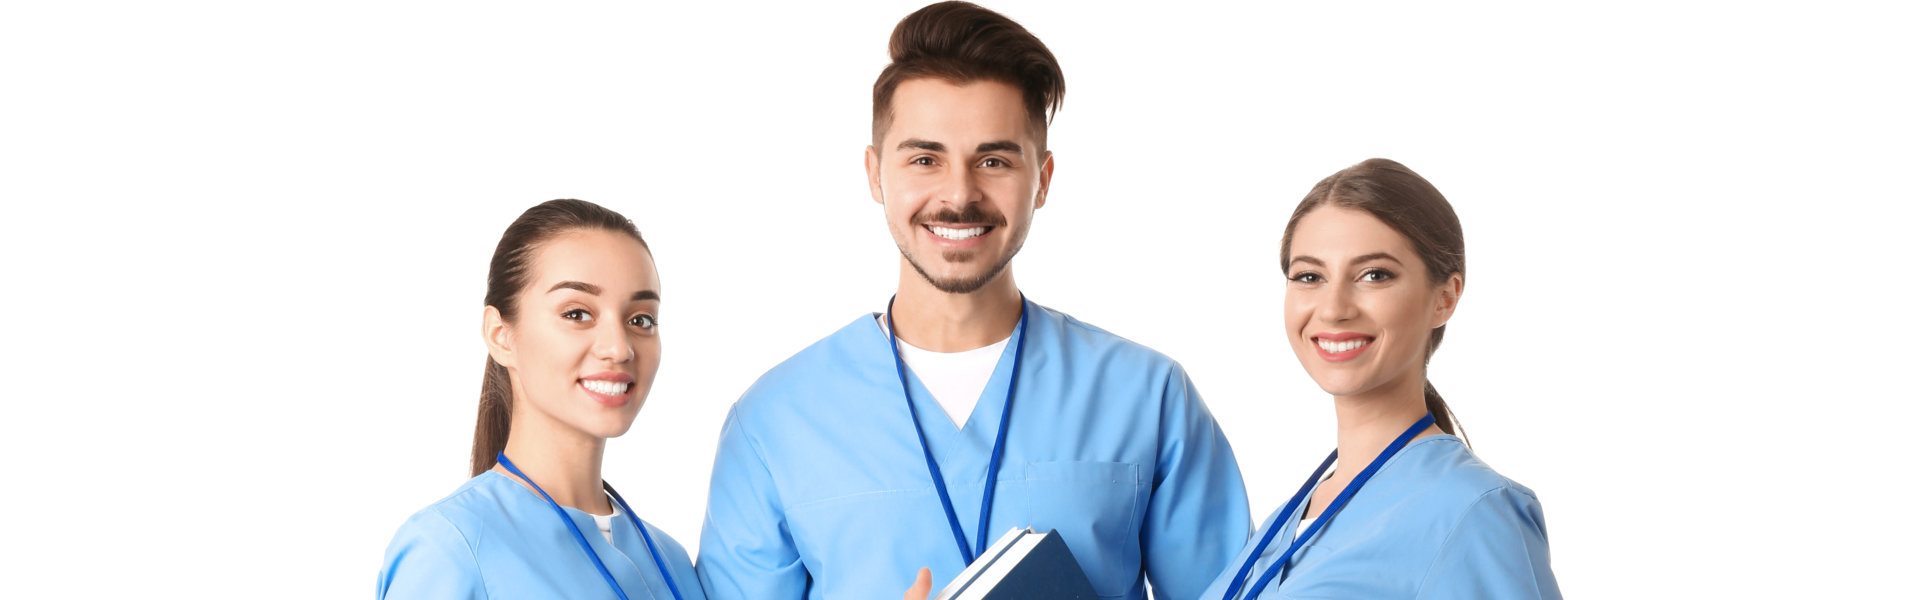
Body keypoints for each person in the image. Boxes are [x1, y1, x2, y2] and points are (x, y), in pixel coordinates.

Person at [695, 3, 1250, 599]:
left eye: (993, 160)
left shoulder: (1148, 396)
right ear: (875, 172)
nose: (959, 195)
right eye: (925, 159)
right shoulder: (775, 422)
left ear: (1043, 178)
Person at [1200, 159, 1562, 599]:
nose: (1333, 308)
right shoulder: (1293, 518)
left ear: (1444, 299)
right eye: (1310, 276)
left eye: (1375, 275)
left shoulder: (1475, 510)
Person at [377, 199, 704, 600]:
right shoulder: (450, 549)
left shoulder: (671, 561)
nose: (619, 348)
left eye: (641, 320)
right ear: (501, 335)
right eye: (577, 313)